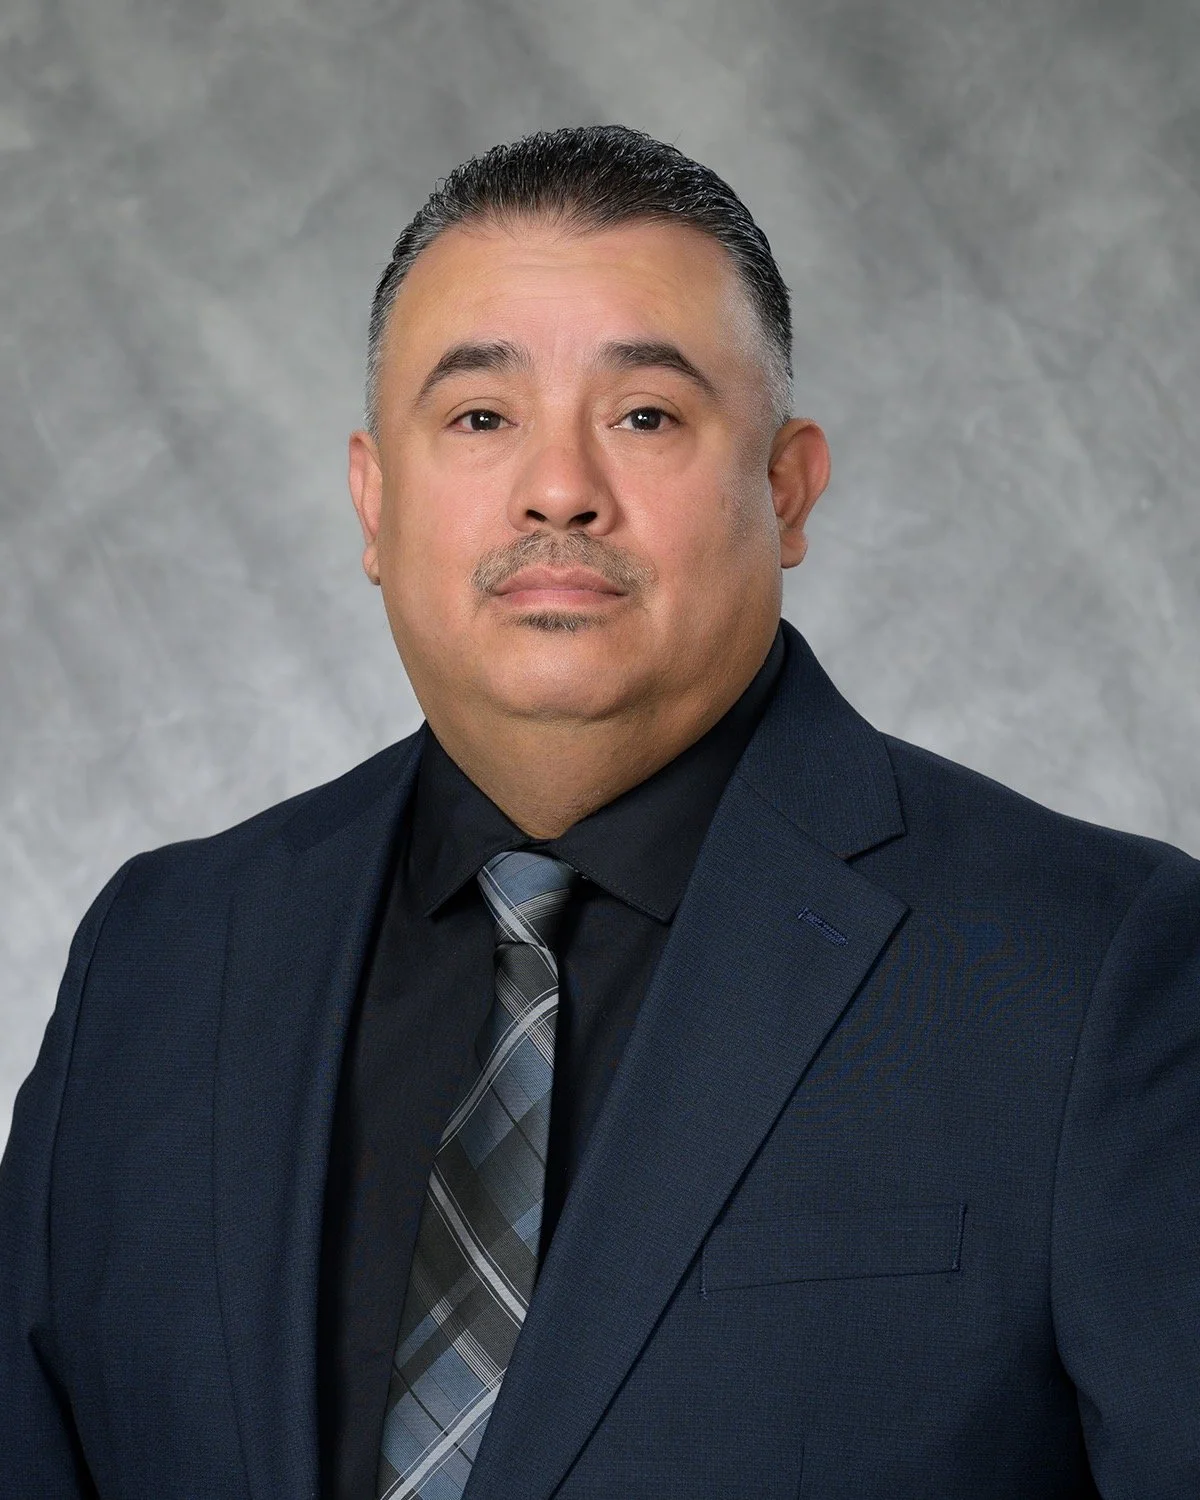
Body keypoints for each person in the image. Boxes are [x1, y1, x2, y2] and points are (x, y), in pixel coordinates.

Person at [1, 123, 1197, 1500]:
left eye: (646, 416)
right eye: (480, 417)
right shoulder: (159, 959)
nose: (559, 488)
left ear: (788, 488)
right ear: (374, 501)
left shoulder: (1099, 968)